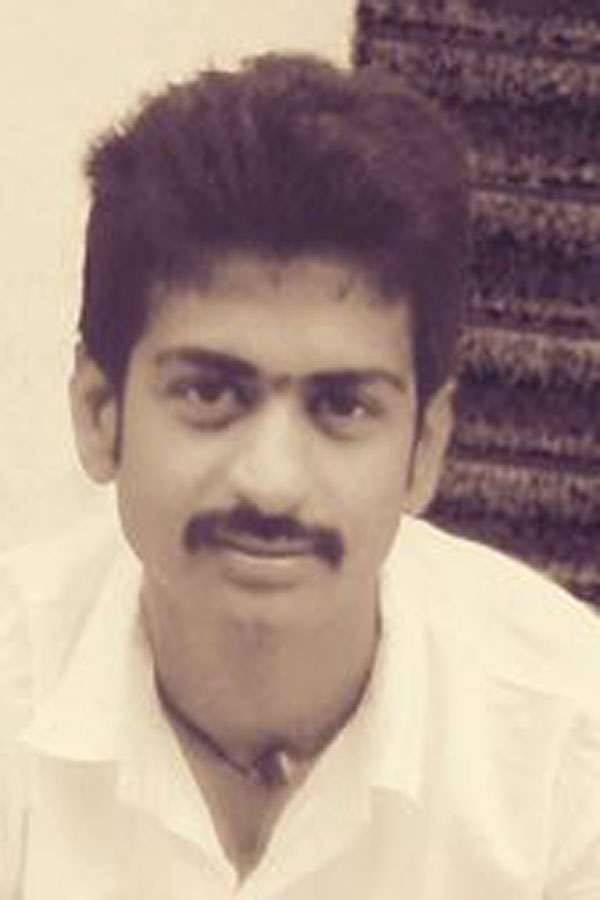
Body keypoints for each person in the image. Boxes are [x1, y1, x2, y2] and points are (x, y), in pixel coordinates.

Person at [1, 52, 599, 899]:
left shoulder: (569, 749)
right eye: (210, 393)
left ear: (425, 449)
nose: (272, 482)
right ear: (101, 414)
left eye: (343, 405)